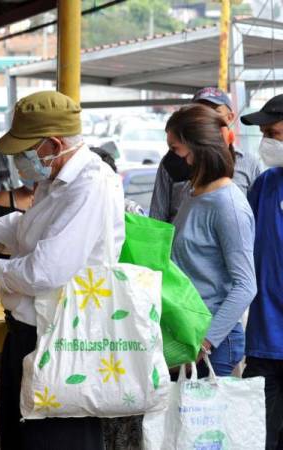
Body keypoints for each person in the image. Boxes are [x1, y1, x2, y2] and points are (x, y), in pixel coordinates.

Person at [0, 91, 122, 450]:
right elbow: (25, 228)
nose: (19, 161)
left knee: (56, 440)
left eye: (25, 150)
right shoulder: (55, 180)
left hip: (63, 340)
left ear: (53, 144)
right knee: (22, 437)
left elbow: (45, 271)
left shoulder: (89, 185)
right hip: (30, 332)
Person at [165, 104, 257, 377]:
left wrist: (206, 342)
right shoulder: (192, 194)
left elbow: (245, 286)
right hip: (184, 333)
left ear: (199, 148)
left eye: (175, 150)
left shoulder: (228, 206)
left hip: (211, 345)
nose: (171, 158)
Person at [240, 94, 283, 450]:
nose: (267, 142)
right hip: (264, 342)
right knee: (258, 435)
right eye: (265, 134)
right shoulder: (265, 185)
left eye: (274, 133)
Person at [150, 87, 262, 222]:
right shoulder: (174, 161)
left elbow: (257, 219)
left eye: (214, 111)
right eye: (199, 112)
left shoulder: (249, 163)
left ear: (230, 117)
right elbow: (156, 219)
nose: (206, 118)